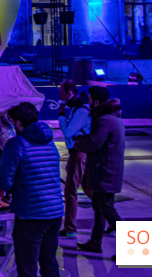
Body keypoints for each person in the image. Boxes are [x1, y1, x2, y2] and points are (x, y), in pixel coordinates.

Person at [0, 102, 63, 277]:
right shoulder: (49, 142)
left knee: (27, 267)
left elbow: (5, 182)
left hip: (31, 214)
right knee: (49, 263)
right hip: (55, 212)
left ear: (17, 122)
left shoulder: (16, 143)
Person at [75, 86, 125, 255]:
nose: (88, 103)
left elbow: (94, 144)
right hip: (108, 170)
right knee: (100, 206)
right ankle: (96, 241)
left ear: (96, 101)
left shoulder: (104, 120)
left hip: (104, 172)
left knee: (106, 208)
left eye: (89, 99)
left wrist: (78, 142)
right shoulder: (112, 118)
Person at [57, 80, 91, 238]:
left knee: (71, 190)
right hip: (79, 151)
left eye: (61, 93)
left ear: (69, 93)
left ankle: (70, 228)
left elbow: (68, 132)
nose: (60, 96)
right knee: (89, 190)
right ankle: (111, 220)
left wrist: (62, 116)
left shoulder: (80, 110)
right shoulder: (79, 107)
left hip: (78, 152)